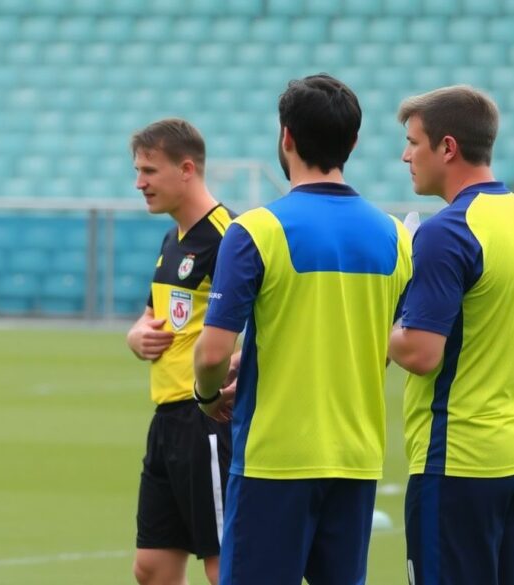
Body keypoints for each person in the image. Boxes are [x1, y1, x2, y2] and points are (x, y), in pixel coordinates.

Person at [193, 74, 413, 585]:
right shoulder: (395, 237)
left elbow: (211, 353)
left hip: (276, 458)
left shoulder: (256, 231)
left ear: (285, 137)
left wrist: (208, 396)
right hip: (356, 457)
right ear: (354, 143)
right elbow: (377, 344)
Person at [389, 85, 514, 585]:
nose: (405, 154)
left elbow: (418, 352)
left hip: (457, 466)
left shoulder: (446, 232)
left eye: (414, 142)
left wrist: (385, 314)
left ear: (448, 148)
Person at [126, 118, 235, 585]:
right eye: (138, 170)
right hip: (167, 420)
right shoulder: (174, 239)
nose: (139, 182)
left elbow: (260, 320)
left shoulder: (231, 237)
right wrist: (136, 335)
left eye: (149, 170)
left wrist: (236, 364)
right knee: (151, 569)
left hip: (206, 419)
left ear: (186, 169)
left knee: (223, 565)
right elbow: (154, 313)